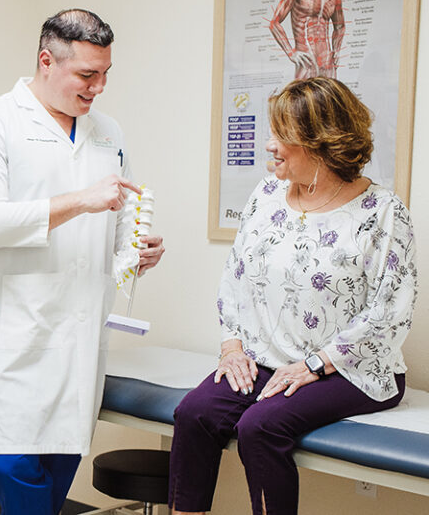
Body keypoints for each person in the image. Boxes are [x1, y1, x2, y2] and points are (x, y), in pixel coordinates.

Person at [169, 77, 417, 515]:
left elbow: (391, 312)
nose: (271, 145)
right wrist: (231, 347)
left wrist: (315, 364)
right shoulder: (266, 196)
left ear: (321, 144)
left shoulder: (382, 212)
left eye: (283, 136)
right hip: (268, 360)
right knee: (194, 414)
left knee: (260, 429)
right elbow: (236, 277)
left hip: (353, 369)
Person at [0, 9, 165, 515]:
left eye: (106, 73)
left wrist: (138, 252)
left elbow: (119, 230)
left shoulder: (107, 132)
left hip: (79, 335)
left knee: (57, 469)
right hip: (15, 333)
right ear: (46, 61)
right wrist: (80, 201)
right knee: (11, 465)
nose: (99, 87)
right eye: (87, 75)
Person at [269, 0, 345, 79]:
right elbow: (274, 23)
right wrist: (291, 53)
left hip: (327, 64)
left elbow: (340, 27)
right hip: (306, 62)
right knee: (304, 94)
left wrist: (336, 51)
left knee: (330, 95)